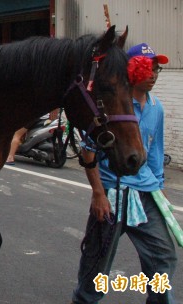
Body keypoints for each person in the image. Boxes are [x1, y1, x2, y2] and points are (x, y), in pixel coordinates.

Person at [71, 43, 178, 304]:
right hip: (112, 192)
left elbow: (154, 155)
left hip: (145, 194)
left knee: (162, 255)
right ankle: (83, 300)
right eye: (147, 68)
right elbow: (88, 152)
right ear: (132, 71)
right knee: (97, 261)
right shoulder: (113, 105)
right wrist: (98, 194)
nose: (153, 74)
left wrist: (160, 194)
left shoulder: (157, 108)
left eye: (156, 69)